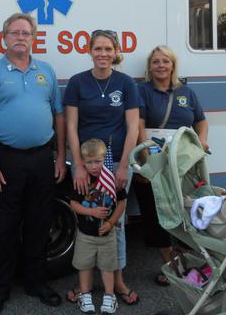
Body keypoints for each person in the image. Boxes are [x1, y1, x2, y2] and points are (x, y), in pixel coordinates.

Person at [0, 13, 66, 314]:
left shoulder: (46, 71)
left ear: (34, 37)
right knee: (4, 227)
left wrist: (60, 156)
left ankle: (36, 282)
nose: (21, 37)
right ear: (4, 38)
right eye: (15, 33)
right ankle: (0, 289)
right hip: (6, 159)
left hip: (41, 158)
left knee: (40, 224)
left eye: (26, 33)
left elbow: (58, 115)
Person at [64, 29, 140, 306]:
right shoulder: (77, 82)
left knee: (115, 222)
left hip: (115, 164)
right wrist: (80, 167)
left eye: (108, 49)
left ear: (116, 51)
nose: (103, 54)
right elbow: (71, 126)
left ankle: (117, 280)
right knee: (84, 220)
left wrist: (123, 165)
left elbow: (132, 126)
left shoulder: (126, 83)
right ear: (89, 50)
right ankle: (82, 281)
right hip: (85, 165)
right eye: (98, 49)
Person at [135, 45, 208, 286]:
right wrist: (145, 163)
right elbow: (139, 126)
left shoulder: (187, 92)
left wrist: (202, 141)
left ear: (173, 65)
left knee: (186, 209)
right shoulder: (142, 91)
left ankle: (187, 258)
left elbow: (201, 120)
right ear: (150, 67)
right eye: (155, 61)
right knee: (155, 211)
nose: (160, 65)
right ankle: (171, 264)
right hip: (154, 159)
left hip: (184, 163)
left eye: (165, 61)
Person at [70, 139, 125, 314]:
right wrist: (91, 212)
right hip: (86, 235)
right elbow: (73, 204)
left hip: (107, 234)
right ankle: (85, 294)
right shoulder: (81, 181)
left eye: (98, 162)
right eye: (89, 162)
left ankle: (109, 295)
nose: (94, 166)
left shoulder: (111, 179)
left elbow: (122, 203)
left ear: (105, 160)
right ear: (83, 162)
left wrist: (110, 222)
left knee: (108, 266)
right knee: (84, 266)